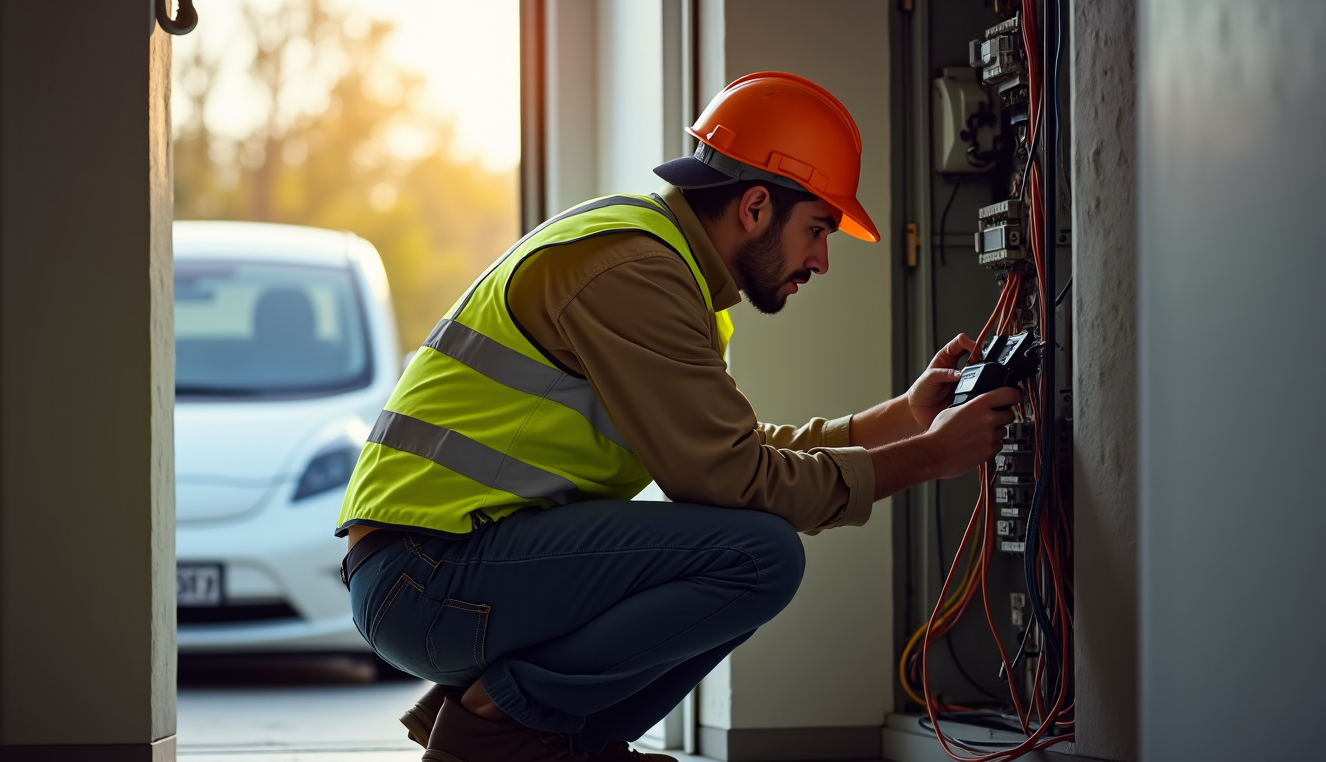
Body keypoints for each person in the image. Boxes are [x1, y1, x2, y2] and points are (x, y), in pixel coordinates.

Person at [335, 72, 1020, 762]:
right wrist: (929, 457)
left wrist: (903, 416)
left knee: (749, 543)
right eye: (817, 228)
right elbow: (733, 477)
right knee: (758, 555)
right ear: (755, 207)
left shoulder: (660, 268)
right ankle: (503, 730)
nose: (821, 259)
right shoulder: (632, 271)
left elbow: (736, 454)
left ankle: (569, 742)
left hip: (446, 566)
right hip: (426, 576)